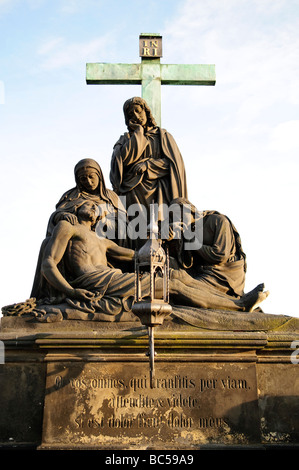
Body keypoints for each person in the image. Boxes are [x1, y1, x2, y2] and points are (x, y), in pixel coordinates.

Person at [38, 200, 269, 320]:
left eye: (96, 207)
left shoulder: (102, 240)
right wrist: (71, 292)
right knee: (171, 285)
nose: (94, 208)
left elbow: (138, 256)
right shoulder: (67, 227)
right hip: (95, 281)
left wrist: (160, 239)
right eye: (89, 204)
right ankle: (239, 306)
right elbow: (48, 264)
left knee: (174, 275)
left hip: (112, 278)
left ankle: (235, 302)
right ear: (77, 208)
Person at [110, 97, 188, 247]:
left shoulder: (163, 136)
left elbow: (173, 164)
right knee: (135, 228)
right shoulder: (125, 139)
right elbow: (120, 164)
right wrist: (138, 134)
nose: (136, 117)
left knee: (158, 227)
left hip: (158, 191)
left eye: (138, 111)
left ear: (146, 111)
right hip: (132, 191)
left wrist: (148, 165)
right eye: (131, 115)